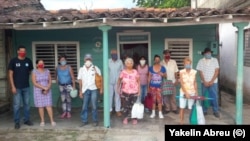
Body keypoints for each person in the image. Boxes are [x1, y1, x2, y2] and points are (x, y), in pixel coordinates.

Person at [8, 45, 34, 129]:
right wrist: (12, 86)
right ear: (18, 52)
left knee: (27, 104)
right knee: (17, 105)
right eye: (21, 51)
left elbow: (32, 73)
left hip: (26, 86)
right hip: (17, 87)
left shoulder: (28, 61)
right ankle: (17, 122)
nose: (23, 53)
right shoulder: (13, 61)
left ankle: (26, 120)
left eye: (24, 51)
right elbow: (10, 74)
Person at [78, 54, 103, 127]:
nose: (88, 61)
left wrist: (101, 88)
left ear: (91, 60)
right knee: (84, 106)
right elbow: (80, 80)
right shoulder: (81, 69)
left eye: (89, 59)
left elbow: (101, 79)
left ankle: (95, 120)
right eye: (86, 59)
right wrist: (80, 91)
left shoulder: (95, 68)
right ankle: (84, 120)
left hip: (94, 89)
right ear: (84, 60)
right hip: (85, 90)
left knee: (94, 106)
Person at [196, 47, 220, 118]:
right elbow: (200, 72)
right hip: (204, 83)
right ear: (204, 54)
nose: (208, 54)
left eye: (209, 53)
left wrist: (212, 81)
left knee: (214, 97)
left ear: (211, 53)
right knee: (204, 97)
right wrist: (204, 81)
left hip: (214, 82)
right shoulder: (201, 61)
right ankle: (204, 110)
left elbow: (216, 71)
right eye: (207, 53)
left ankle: (215, 111)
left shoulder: (215, 60)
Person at [32, 59, 56, 127]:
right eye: (39, 63)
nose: (41, 64)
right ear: (37, 65)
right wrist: (43, 87)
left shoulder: (47, 71)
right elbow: (34, 82)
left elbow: (50, 80)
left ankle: (52, 120)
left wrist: (47, 88)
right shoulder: (34, 72)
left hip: (47, 90)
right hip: (38, 90)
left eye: (42, 63)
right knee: (41, 106)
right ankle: (42, 121)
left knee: (48, 105)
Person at [117, 57, 140, 125]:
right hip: (125, 92)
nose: (129, 64)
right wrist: (117, 88)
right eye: (128, 63)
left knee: (133, 106)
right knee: (126, 106)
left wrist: (139, 91)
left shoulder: (135, 72)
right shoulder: (123, 72)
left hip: (134, 92)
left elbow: (139, 82)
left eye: (131, 63)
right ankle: (126, 118)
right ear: (125, 64)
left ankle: (134, 118)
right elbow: (119, 80)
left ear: (132, 64)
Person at [55, 54, 76, 119]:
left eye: (64, 60)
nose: (62, 61)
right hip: (61, 85)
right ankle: (64, 112)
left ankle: (68, 112)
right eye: (61, 60)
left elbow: (72, 77)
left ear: (66, 60)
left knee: (68, 99)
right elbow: (56, 76)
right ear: (59, 61)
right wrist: (57, 81)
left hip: (69, 85)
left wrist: (74, 86)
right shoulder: (57, 68)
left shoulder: (69, 67)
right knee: (63, 99)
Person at [179, 57, 198, 124]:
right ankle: (181, 121)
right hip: (183, 92)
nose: (188, 65)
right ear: (184, 64)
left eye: (189, 64)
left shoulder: (194, 72)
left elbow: (195, 82)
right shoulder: (181, 72)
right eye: (186, 63)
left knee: (191, 108)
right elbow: (181, 83)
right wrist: (186, 93)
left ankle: (191, 121)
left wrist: (196, 92)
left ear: (191, 64)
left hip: (192, 92)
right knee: (182, 107)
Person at [160, 49, 179, 114]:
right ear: (164, 55)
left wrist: (177, 80)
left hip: (172, 81)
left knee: (173, 96)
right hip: (165, 82)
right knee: (165, 96)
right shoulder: (161, 63)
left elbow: (176, 71)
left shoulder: (173, 62)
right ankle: (167, 108)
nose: (168, 55)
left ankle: (174, 108)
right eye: (166, 54)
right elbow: (160, 73)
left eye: (169, 54)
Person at [148, 55, 166, 119]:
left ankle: (160, 113)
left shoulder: (163, 68)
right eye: (156, 59)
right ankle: (153, 113)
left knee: (159, 100)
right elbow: (149, 77)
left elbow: (166, 76)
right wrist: (148, 86)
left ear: (160, 60)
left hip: (159, 87)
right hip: (152, 87)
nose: (157, 61)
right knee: (153, 100)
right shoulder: (150, 68)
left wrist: (162, 74)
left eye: (158, 59)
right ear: (154, 60)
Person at [108, 49, 123, 117]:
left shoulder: (120, 62)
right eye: (113, 53)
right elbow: (106, 72)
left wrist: (121, 81)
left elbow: (122, 72)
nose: (115, 54)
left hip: (118, 82)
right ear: (111, 54)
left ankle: (118, 110)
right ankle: (109, 110)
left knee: (117, 96)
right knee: (109, 96)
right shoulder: (108, 62)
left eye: (116, 53)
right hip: (109, 82)